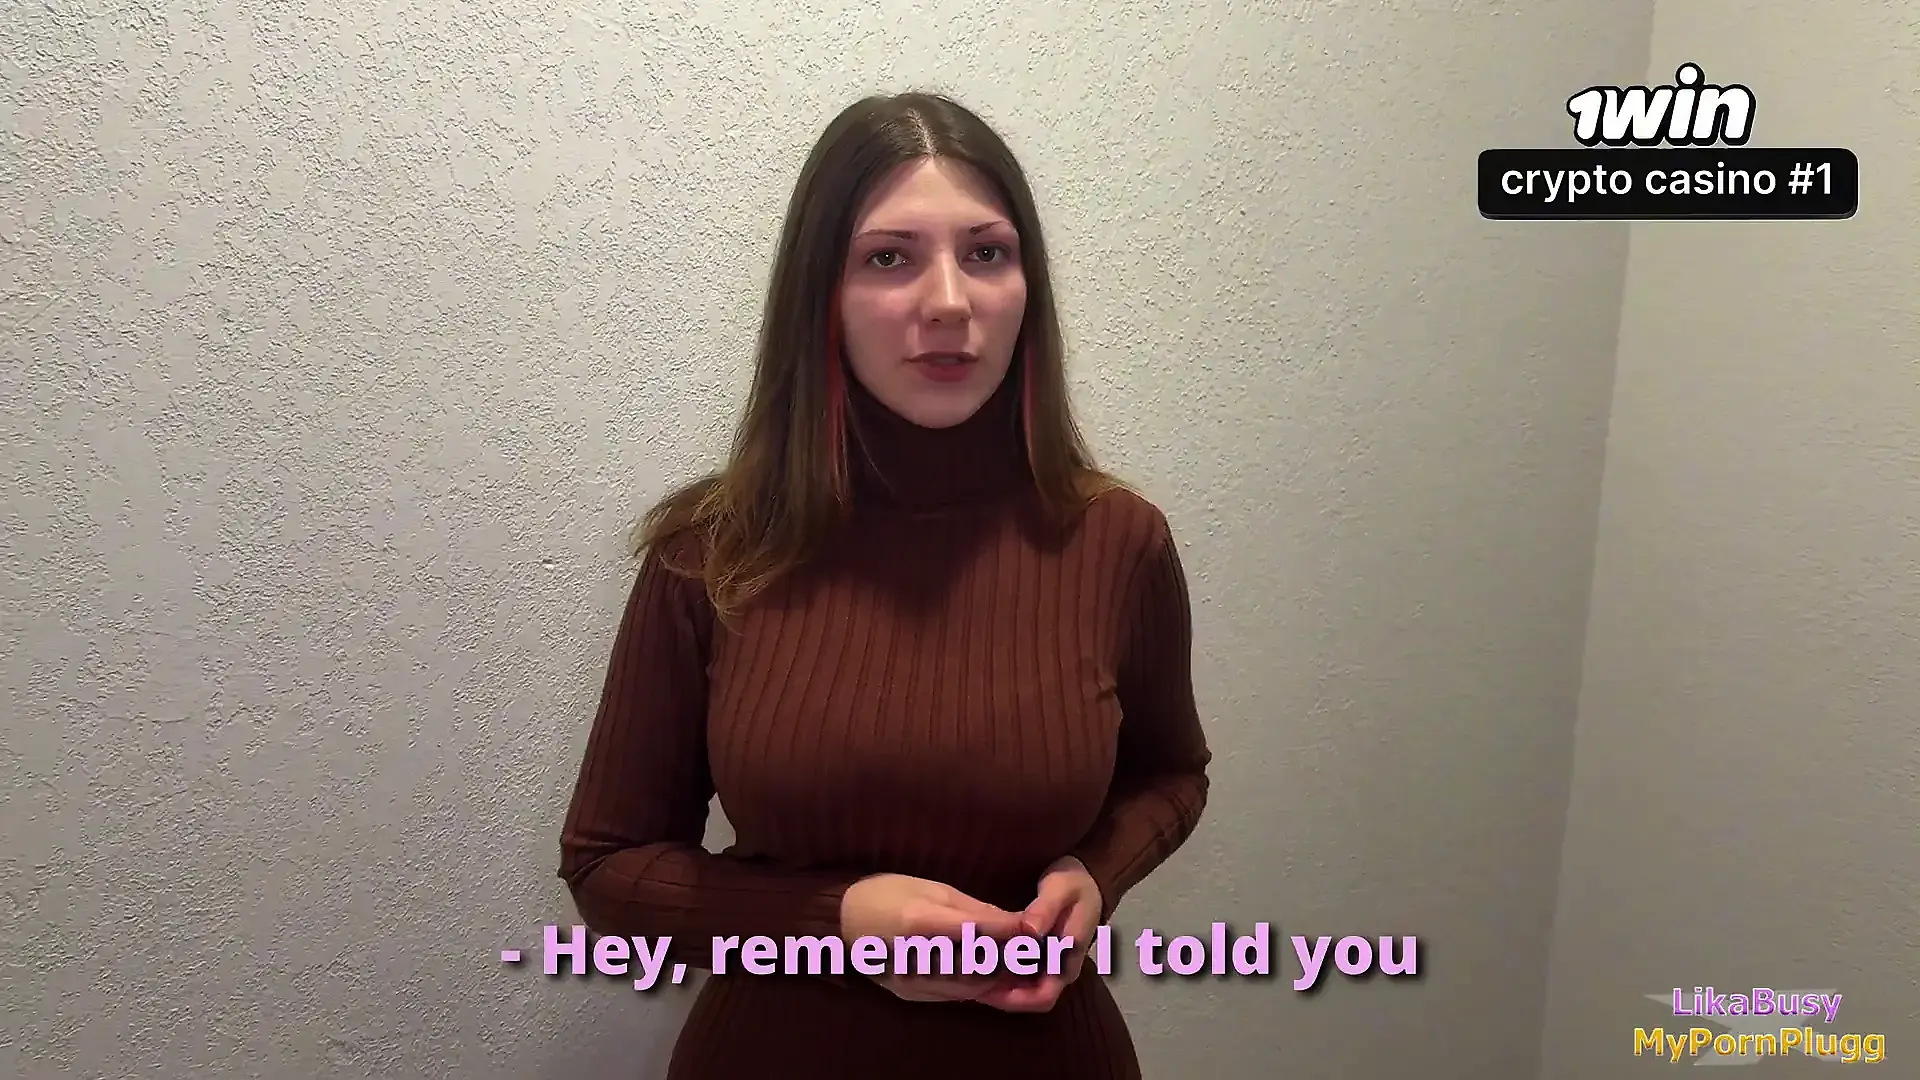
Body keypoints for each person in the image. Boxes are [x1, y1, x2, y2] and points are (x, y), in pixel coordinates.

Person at [558, 91, 1211, 1079]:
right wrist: (837, 922)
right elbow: (607, 867)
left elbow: (1172, 774)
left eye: (986, 253)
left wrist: (1094, 873)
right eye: (889, 258)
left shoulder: (1118, 540)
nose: (948, 301)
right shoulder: (713, 553)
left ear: (1027, 288)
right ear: (820, 296)